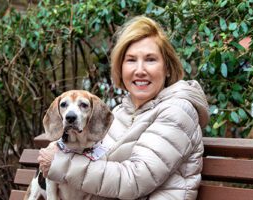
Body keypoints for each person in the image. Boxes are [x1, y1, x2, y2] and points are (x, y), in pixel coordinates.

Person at [38, 15, 209, 200]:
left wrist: (60, 164)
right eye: (131, 60)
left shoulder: (178, 111)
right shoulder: (119, 113)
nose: (140, 70)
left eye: (150, 59)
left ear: (167, 68)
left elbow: (135, 180)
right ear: (120, 68)